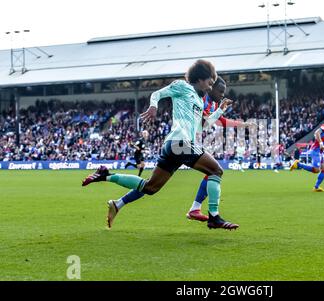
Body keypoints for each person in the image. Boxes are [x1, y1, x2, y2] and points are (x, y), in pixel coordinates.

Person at [82, 59, 239, 230]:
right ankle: (214, 217)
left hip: (176, 146)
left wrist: (220, 109)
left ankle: (105, 175)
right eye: (209, 82)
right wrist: (153, 107)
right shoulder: (182, 86)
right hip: (180, 142)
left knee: (150, 187)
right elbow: (157, 94)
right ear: (200, 78)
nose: (210, 87)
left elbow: (203, 126)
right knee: (216, 171)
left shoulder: (199, 101)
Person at [186, 76, 255, 222]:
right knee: (151, 185)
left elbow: (220, 121)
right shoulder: (202, 99)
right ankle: (208, 214)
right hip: (181, 142)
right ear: (210, 87)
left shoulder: (211, 104)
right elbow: (206, 122)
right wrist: (221, 110)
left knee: (151, 185)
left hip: (188, 141)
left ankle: (195, 209)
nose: (222, 94)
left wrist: (242, 125)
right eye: (220, 91)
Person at [289, 116, 324, 192]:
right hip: (315, 150)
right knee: (316, 170)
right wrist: (320, 142)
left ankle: (316, 187)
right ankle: (298, 164)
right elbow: (316, 133)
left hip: (320, 152)